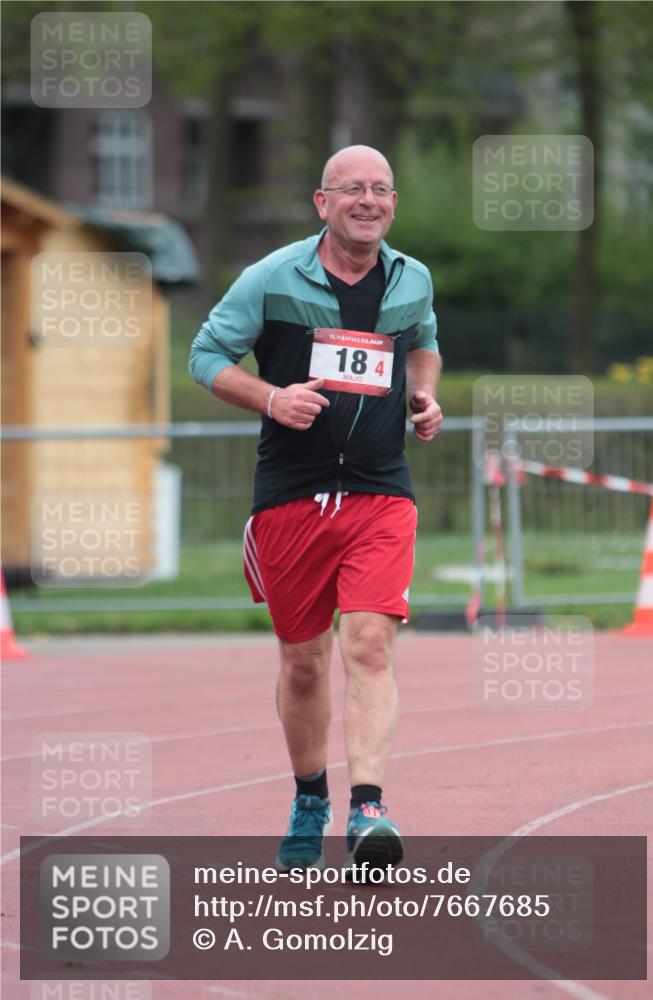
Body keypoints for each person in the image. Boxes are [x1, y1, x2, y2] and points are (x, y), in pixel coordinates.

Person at [189, 145, 443, 872]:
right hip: (292, 495)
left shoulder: (410, 278)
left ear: (392, 202)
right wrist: (271, 397)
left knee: (368, 641)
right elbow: (206, 357)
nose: (368, 200)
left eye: (380, 189)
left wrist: (424, 396)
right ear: (321, 202)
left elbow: (422, 343)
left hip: (379, 487)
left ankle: (369, 808)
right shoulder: (271, 278)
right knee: (303, 662)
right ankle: (310, 797)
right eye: (352, 189)